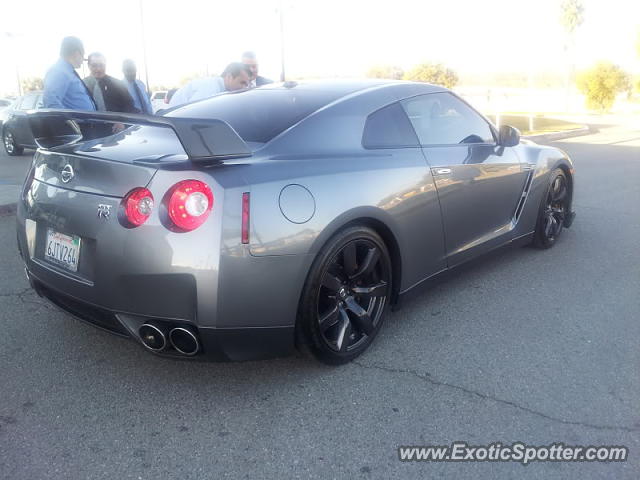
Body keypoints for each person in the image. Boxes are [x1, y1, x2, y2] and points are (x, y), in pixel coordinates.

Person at [43, 36, 96, 110]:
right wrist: (70, 121)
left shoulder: (66, 71)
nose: (83, 60)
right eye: (83, 55)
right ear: (76, 53)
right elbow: (52, 104)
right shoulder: (59, 72)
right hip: (77, 121)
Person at [169, 62, 251, 107]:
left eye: (247, 85)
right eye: (242, 83)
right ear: (229, 76)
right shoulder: (211, 88)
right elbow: (195, 113)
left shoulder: (222, 89)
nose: (245, 88)